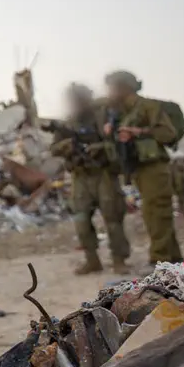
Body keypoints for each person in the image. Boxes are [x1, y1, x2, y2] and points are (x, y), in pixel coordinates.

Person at [48, 83, 130, 274]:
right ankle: (92, 260)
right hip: (80, 176)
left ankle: (119, 260)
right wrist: (69, 145)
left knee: (113, 218)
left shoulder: (104, 117)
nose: (76, 102)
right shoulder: (67, 124)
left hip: (104, 174)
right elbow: (54, 148)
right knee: (81, 220)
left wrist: (100, 148)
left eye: (79, 98)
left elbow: (120, 141)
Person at [103, 70, 183, 267]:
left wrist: (137, 131)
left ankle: (160, 261)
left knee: (157, 213)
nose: (110, 92)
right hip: (139, 168)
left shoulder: (148, 106)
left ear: (124, 87)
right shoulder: (122, 113)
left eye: (112, 88)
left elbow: (168, 134)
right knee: (154, 214)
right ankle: (173, 259)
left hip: (155, 168)